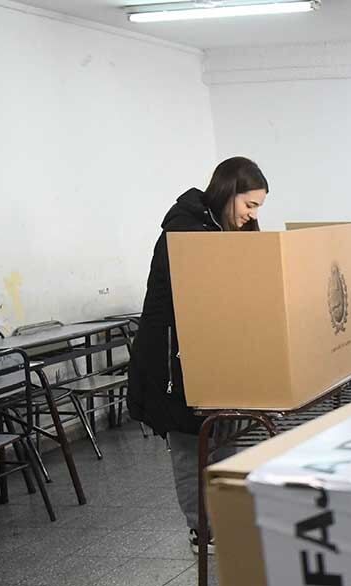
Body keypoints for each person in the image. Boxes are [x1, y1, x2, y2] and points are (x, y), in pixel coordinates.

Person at [127, 157, 269, 553]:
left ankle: (225, 514)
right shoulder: (186, 232)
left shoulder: (220, 229)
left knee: (224, 435)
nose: (252, 215)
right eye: (250, 205)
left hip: (213, 356)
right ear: (228, 193)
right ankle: (201, 529)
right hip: (173, 361)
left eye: (258, 207)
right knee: (191, 446)